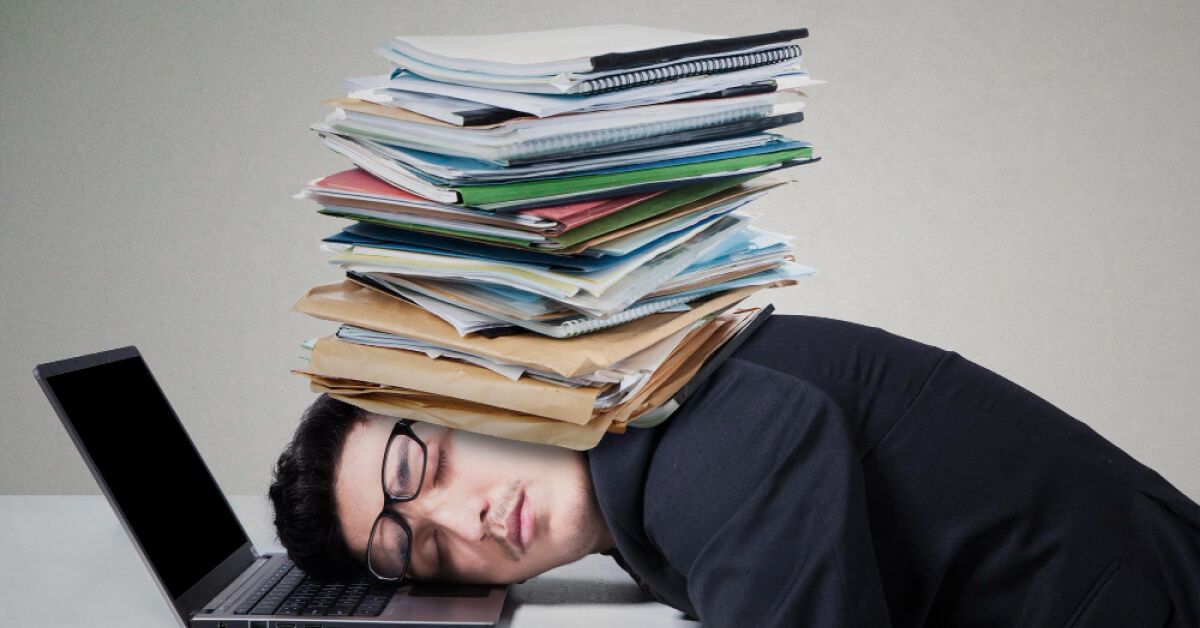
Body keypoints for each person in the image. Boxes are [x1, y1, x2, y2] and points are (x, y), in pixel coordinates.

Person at [268, 314, 1200, 627]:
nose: (463, 523)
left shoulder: (707, 452)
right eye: (421, 547)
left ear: (477, 394)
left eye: (422, 464)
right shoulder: (638, 437)